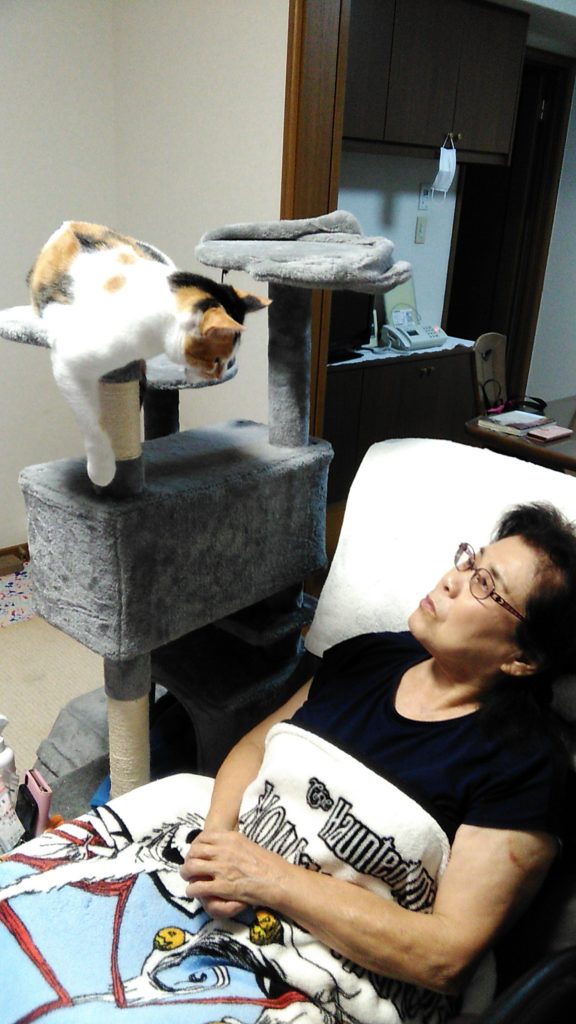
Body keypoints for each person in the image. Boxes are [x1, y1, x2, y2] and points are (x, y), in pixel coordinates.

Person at [181, 502, 576, 998]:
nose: (452, 579)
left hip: (323, 977)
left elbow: (446, 956)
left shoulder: (524, 765)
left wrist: (266, 878)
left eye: (484, 584)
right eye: (469, 560)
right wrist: (216, 844)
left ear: (523, 658)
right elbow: (257, 745)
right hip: (217, 893)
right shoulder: (369, 656)